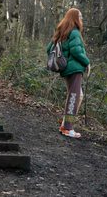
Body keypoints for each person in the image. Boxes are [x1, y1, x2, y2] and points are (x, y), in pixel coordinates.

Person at [46, 8, 90, 138]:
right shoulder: (75, 32)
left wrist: (62, 57)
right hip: (75, 69)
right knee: (74, 97)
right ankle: (68, 128)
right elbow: (76, 51)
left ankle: (65, 125)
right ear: (75, 18)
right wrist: (86, 62)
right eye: (80, 16)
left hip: (66, 69)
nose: (81, 19)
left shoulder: (62, 31)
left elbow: (49, 49)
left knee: (78, 95)